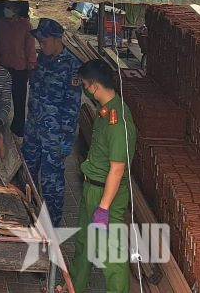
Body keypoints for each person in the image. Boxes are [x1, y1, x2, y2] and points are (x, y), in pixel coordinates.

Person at [71, 59, 136, 293]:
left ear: (95, 86)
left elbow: (117, 168)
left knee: (112, 255)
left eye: (86, 85)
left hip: (106, 194)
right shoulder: (104, 111)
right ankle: (73, 287)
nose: (85, 90)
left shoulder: (117, 122)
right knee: (84, 245)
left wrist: (104, 209)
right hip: (93, 189)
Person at [22, 18, 83, 226]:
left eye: (44, 41)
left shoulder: (72, 66)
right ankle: (28, 215)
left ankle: (52, 226)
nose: (41, 45)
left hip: (54, 137)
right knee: (27, 174)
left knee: (51, 184)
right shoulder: (43, 59)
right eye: (39, 41)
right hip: (33, 130)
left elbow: (72, 107)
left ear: (57, 39)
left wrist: (65, 139)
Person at [0, 1, 37, 137]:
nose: (6, 9)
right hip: (3, 66)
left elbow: (30, 48)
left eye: (9, 7)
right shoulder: (1, 24)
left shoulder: (25, 26)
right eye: (6, 6)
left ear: (18, 9)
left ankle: (18, 128)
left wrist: (31, 68)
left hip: (20, 69)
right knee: (1, 98)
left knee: (19, 100)